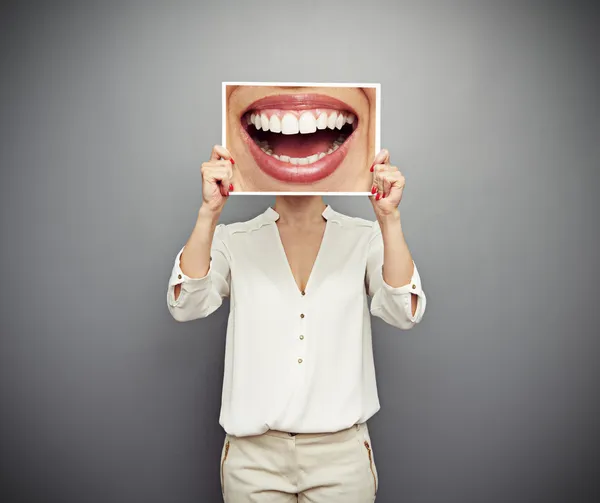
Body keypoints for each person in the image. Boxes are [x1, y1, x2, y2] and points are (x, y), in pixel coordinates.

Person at [166, 145, 427, 502]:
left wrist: (389, 218)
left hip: (341, 457)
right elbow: (186, 304)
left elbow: (404, 311)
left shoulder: (365, 237)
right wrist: (209, 212)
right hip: (253, 460)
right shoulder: (234, 238)